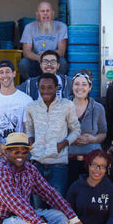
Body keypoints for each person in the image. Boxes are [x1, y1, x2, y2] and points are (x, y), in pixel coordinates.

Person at [26, 73, 80, 201]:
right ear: (38, 88)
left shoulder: (67, 105)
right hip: (37, 164)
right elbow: (29, 128)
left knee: (58, 206)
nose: (46, 91)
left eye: (50, 87)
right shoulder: (31, 107)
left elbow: (76, 130)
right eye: (42, 87)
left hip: (58, 165)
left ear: (57, 88)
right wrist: (31, 140)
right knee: (39, 208)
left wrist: (64, 143)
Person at [0, 60, 33, 178]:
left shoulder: (26, 100)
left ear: (14, 73)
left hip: (19, 156)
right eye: (1, 72)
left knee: (21, 193)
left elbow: (27, 129)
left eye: (8, 72)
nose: (5, 76)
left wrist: (14, 150)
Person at [68, 70, 107, 187]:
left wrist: (93, 140)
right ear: (72, 86)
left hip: (92, 162)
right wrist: (70, 139)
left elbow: (103, 133)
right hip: (67, 161)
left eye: (84, 84)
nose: (80, 87)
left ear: (90, 88)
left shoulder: (98, 108)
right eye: (77, 84)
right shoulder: (62, 106)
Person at [18, 2, 68, 81]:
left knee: (62, 62)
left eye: (48, 11)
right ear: (37, 14)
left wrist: (47, 56)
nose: (45, 13)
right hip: (36, 61)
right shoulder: (29, 27)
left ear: (52, 13)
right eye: (42, 11)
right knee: (23, 63)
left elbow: (61, 52)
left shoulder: (61, 27)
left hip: (53, 61)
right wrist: (39, 58)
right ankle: (30, 84)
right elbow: (26, 52)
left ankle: (57, 83)